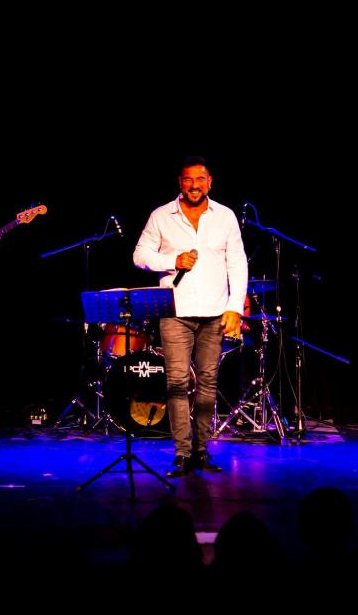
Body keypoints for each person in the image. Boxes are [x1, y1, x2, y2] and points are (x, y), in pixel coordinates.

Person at [134, 156, 248, 476]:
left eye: (200, 179)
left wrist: (234, 307)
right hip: (175, 311)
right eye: (188, 179)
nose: (194, 185)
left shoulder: (224, 216)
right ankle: (182, 453)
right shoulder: (161, 216)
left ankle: (201, 449)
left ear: (210, 182)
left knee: (208, 383)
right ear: (180, 183)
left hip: (214, 312)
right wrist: (173, 260)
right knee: (177, 382)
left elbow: (237, 263)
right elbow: (139, 255)